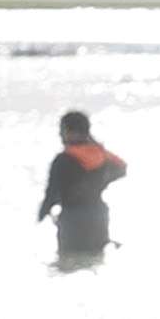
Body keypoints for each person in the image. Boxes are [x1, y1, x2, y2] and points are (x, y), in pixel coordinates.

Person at [35, 108, 126, 263]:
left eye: (62, 130)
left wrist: (41, 216)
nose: (60, 135)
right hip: (99, 215)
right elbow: (121, 168)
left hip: (73, 220)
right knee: (96, 260)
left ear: (71, 132)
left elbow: (51, 193)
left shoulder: (63, 160)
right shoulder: (101, 156)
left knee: (69, 263)